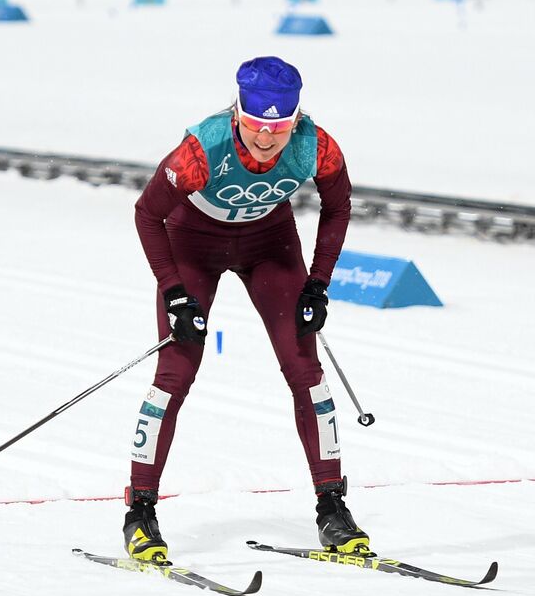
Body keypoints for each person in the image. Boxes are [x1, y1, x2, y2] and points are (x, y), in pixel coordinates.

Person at [122, 57, 367, 563]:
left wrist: (318, 283)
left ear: (294, 121)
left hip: (268, 244)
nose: (265, 140)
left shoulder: (315, 145)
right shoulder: (201, 149)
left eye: (277, 130)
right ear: (238, 115)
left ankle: (333, 509)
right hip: (192, 243)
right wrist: (174, 291)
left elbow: (339, 206)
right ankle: (140, 514)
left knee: (306, 371)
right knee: (176, 373)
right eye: (256, 127)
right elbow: (148, 214)